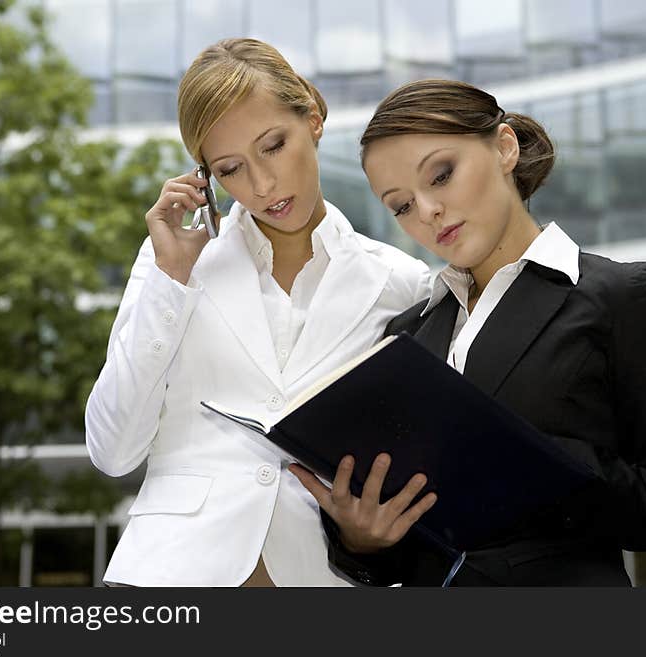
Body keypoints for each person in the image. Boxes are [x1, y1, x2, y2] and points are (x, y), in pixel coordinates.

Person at [290, 79, 646, 586]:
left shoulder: (621, 297)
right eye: (401, 205)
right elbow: (416, 549)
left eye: (441, 175)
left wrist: (556, 467)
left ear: (505, 147)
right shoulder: (408, 336)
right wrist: (363, 538)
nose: (426, 212)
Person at [84, 40, 431, 586]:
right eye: (231, 168)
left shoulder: (403, 282)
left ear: (312, 119)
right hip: (170, 574)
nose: (262, 185)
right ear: (205, 177)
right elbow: (112, 451)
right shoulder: (170, 261)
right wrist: (170, 283)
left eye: (274, 145)